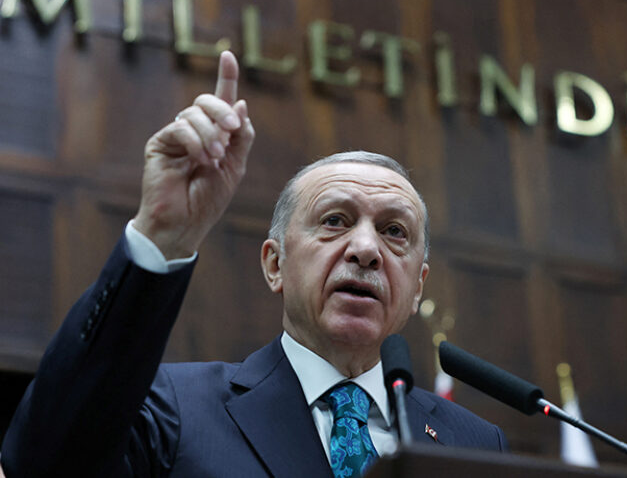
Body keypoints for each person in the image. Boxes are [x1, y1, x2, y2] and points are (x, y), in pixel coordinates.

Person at [0, 52, 507, 478]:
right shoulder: (174, 407)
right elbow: (45, 463)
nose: (366, 249)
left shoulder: (474, 444)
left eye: (394, 231)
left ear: (418, 287)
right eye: (334, 220)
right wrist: (162, 235)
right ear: (274, 265)